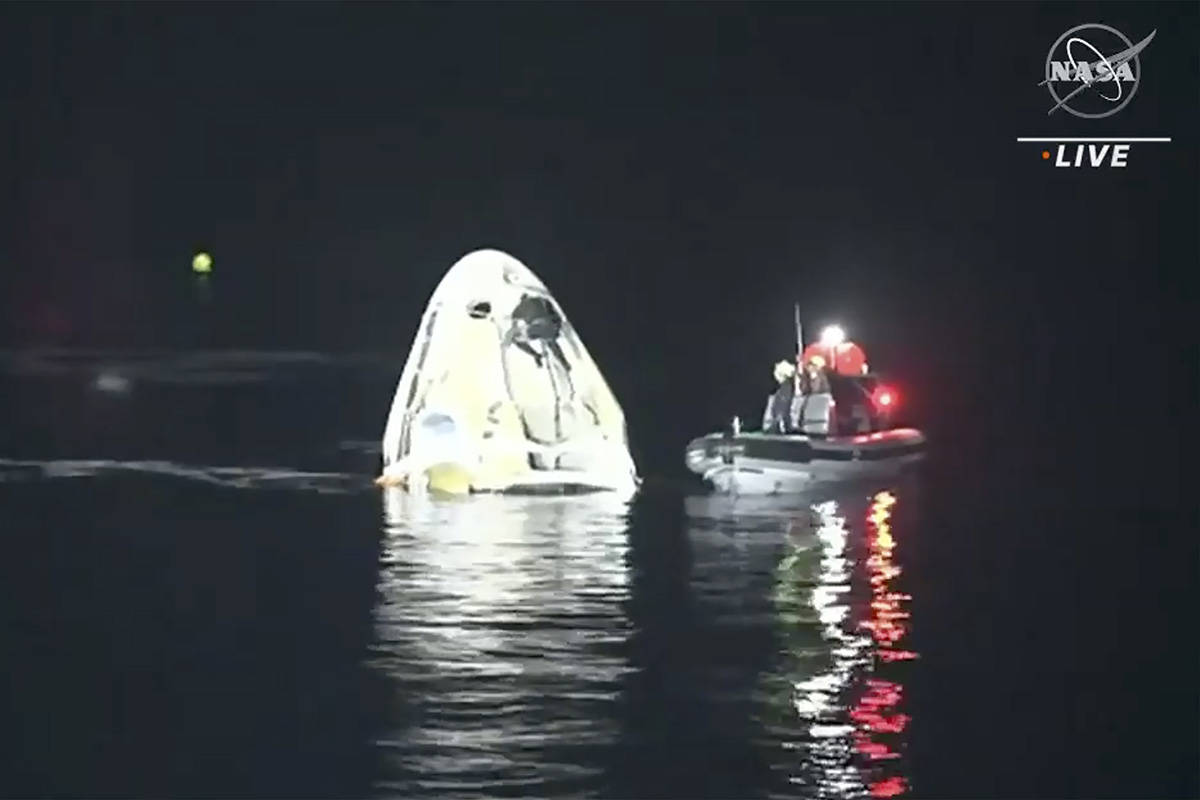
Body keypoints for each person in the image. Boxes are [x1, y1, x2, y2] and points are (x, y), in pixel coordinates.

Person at [762, 359, 797, 433]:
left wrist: (778, 420)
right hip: (780, 421)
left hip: (781, 423)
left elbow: (783, 405)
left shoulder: (786, 387)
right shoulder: (784, 387)